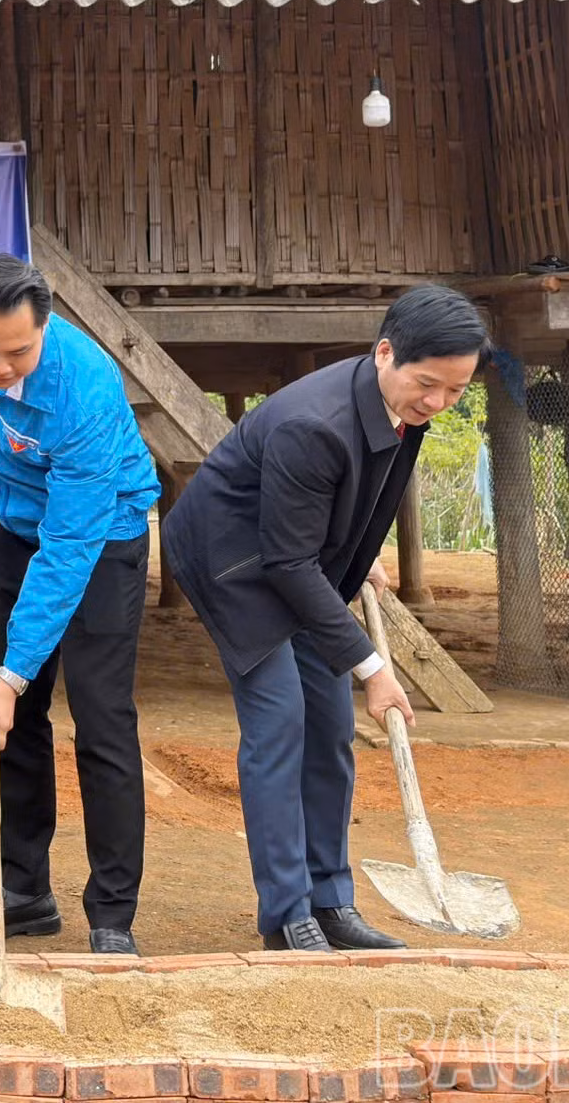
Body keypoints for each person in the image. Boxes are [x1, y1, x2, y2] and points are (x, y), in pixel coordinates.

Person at [161, 284, 488, 952]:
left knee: (331, 727)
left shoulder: (407, 407)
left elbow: (369, 493)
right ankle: (287, 914)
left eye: (456, 393)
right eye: (429, 385)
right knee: (280, 721)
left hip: (298, 556)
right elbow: (284, 565)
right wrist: (373, 667)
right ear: (386, 352)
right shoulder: (313, 424)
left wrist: (360, 554)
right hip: (235, 563)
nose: (437, 403)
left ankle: (331, 899)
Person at [0, 253, 160, 957]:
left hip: (99, 534)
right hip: (12, 521)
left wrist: (12, 671)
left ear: (48, 327)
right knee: (17, 719)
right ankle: (23, 891)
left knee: (101, 715)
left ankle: (112, 911)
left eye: (16, 353)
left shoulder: (85, 388)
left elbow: (68, 551)